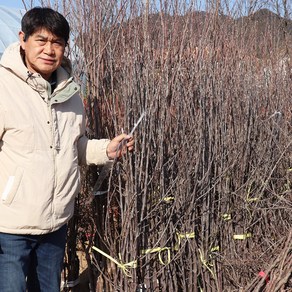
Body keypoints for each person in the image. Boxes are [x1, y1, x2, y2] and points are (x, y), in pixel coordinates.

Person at [0, 7, 134, 292]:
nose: (49, 49)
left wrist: (106, 150)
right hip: (9, 225)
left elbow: (74, 146)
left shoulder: (69, 93)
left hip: (55, 220)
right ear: (23, 39)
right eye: (41, 40)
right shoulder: (4, 87)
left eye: (57, 42)